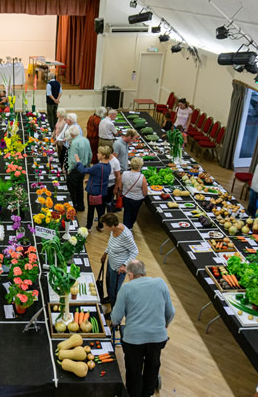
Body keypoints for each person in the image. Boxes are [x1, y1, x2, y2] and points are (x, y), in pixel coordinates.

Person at [111, 260, 175, 397]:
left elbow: (116, 318)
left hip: (133, 340)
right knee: (153, 366)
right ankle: (148, 393)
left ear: (130, 274)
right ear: (144, 272)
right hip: (157, 338)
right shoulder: (160, 283)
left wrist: (114, 322)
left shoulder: (126, 289)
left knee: (134, 370)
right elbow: (171, 313)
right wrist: (164, 325)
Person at [99, 213, 139, 306]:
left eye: (105, 225)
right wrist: (105, 253)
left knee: (115, 290)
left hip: (118, 268)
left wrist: (124, 265)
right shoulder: (114, 230)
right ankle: (110, 298)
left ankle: (114, 310)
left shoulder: (126, 236)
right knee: (108, 284)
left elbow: (135, 251)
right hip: (111, 262)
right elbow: (111, 242)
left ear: (112, 225)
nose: (104, 227)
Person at [75, 146, 112, 231]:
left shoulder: (98, 166)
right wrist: (91, 179)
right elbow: (101, 176)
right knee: (101, 210)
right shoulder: (108, 165)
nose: (97, 154)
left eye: (99, 153)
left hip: (93, 192)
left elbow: (84, 170)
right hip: (102, 191)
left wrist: (78, 162)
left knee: (91, 210)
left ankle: (88, 227)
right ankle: (100, 226)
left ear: (103, 155)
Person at [66, 126, 92, 212]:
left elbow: (73, 160)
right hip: (83, 168)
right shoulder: (86, 140)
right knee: (79, 187)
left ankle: (73, 208)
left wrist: (69, 169)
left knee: (72, 188)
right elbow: (90, 155)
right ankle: (81, 206)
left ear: (71, 134)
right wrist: (86, 166)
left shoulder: (74, 143)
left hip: (75, 168)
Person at [120, 157, 148, 230]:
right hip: (137, 199)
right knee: (134, 213)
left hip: (126, 197)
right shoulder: (142, 177)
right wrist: (143, 196)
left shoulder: (124, 174)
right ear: (140, 166)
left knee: (127, 213)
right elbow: (145, 191)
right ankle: (130, 226)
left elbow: (120, 186)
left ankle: (126, 228)